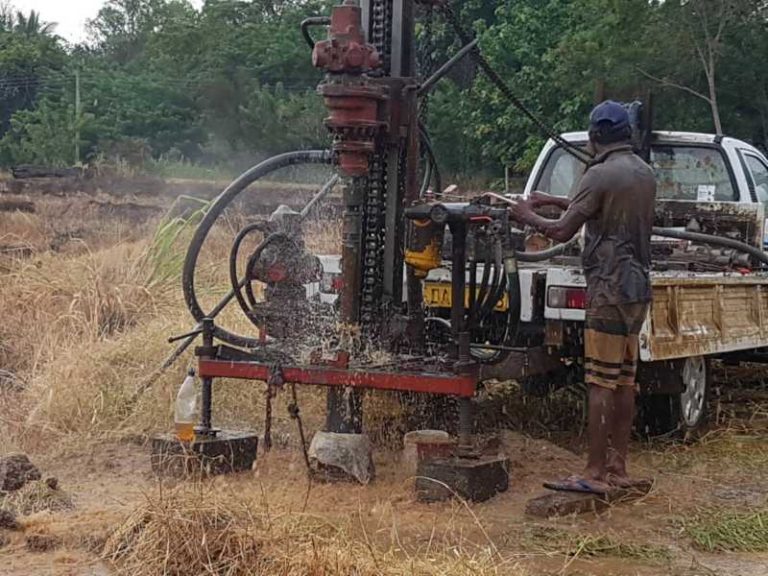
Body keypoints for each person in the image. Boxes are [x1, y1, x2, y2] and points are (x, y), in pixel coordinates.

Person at [509, 100, 656, 494]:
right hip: (637, 289)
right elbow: (599, 208)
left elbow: (561, 231)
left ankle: (593, 473)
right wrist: (555, 200)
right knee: (624, 380)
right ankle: (618, 468)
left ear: (594, 136)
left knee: (599, 382)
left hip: (608, 287)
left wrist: (526, 214)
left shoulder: (599, 173)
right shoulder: (643, 172)